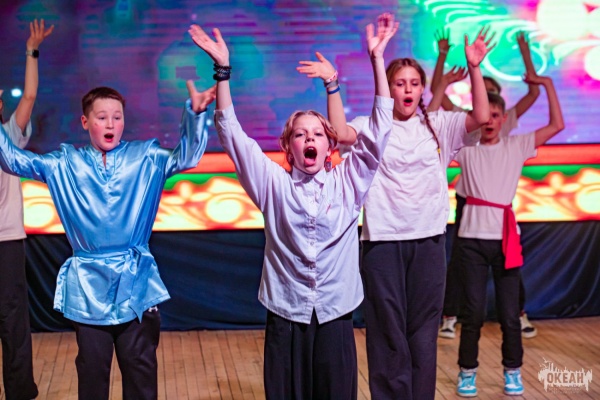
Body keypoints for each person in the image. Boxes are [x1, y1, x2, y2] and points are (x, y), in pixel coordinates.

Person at [189, 13, 396, 399]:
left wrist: (375, 60)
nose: (309, 139)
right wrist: (223, 72)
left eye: (317, 133)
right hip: (286, 312)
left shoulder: (348, 182)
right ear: (289, 146)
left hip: (335, 312)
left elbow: (381, 130)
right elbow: (232, 134)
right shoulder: (273, 184)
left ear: (329, 145)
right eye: (300, 134)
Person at [0, 50, 215, 397]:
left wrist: (195, 114)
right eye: (102, 117)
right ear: (86, 122)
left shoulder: (145, 157)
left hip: (136, 284)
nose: (111, 124)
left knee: (141, 376)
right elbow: (13, 159)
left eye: (117, 117)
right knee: (92, 377)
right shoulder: (65, 163)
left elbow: (187, 156)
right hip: (88, 289)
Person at [326, 25, 493, 399]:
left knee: (422, 333)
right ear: (388, 89)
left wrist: (475, 67)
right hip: (383, 242)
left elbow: (481, 116)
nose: (407, 89)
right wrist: (359, 68)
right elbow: (337, 132)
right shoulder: (372, 127)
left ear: (422, 90)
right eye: (399, 83)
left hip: (429, 241)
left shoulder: (439, 124)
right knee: (387, 331)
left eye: (414, 83)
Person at [453, 74, 564, 397]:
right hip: (471, 240)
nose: (490, 121)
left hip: (505, 240)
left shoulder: (516, 146)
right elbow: (434, 121)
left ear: (504, 119)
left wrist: (547, 84)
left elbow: (556, 125)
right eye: (485, 115)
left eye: (496, 115)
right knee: (472, 313)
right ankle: (467, 372)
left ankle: (512, 371)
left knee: (510, 315)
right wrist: (443, 81)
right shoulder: (466, 147)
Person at [432, 29, 541, 340]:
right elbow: (437, 96)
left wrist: (525, 52)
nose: (488, 114)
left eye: (493, 95)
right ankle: (451, 315)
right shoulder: (466, 121)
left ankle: (518, 312)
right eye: (482, 93)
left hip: (499, 199)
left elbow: (534, 93)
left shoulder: (507, 121)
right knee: (461, 261)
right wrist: (442, 56)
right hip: (470, 200)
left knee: (509, 259)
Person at [0, 19, 53, 400]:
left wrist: (31, 51)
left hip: (6, 241)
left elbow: (30, 97)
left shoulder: (8, 136)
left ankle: (19, 391)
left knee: (13, 319)